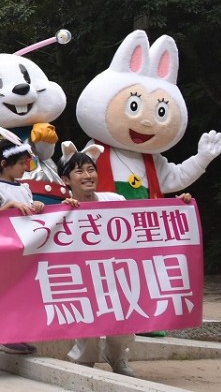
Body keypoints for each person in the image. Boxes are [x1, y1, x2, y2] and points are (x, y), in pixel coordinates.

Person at [59, 141, 149, 378]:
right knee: (85, 319)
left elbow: (143, 221)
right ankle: (84, 360)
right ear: (66, 180)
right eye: (79, 171)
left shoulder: (116, 200)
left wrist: (179, 205)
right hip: (82, 274)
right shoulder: (61, 209)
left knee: (123, 317)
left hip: (116, 271)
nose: (88, 176)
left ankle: (117, 356)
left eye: (91, 170)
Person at [0, 130, 45, 355]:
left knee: (22, 293)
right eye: (20, 163)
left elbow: (29, 209)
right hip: (4, 249)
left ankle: (19, 334)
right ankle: (6, 336)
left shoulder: (25, 188)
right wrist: (6, 209)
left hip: (25, 247)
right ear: (4, 163)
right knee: (7, 293)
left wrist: (37, 205)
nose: (24, 167)